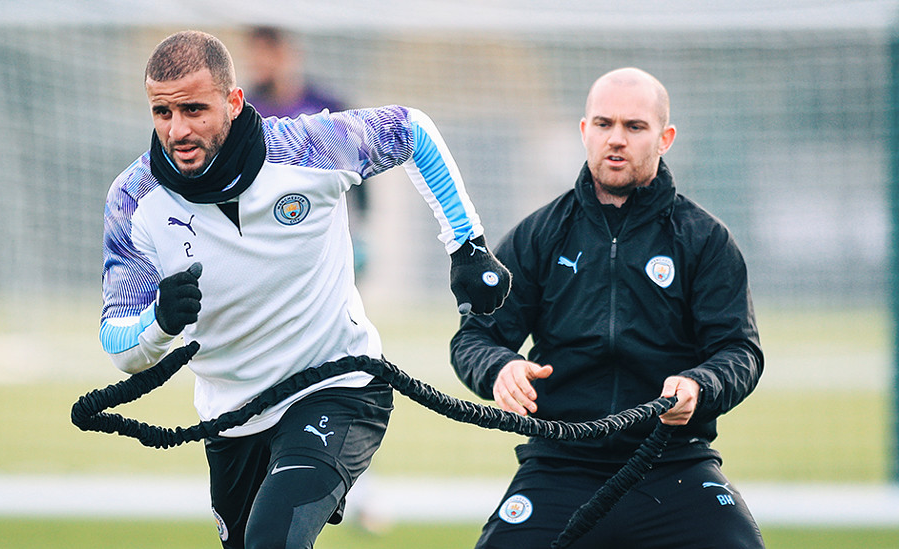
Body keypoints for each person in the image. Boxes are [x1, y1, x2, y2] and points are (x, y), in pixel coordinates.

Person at [100, 30, 509, 549]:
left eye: (195, 111)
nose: (177, 130)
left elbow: (413, 131)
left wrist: (467, 245)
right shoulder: (134, 199)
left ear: (233, 102)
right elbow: (119, 344)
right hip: (232, 421)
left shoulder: (306, 146)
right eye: (162, 112)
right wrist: (158, 322)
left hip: (337, 388)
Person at [450, 67, 765, 548]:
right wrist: (500, 368)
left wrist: (702, 385)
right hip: (560, 465)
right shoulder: (539, 234)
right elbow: (475, 336)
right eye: (603, 124)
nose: (616, 139)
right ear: (584, 131)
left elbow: (740, 351)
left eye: (634, 127)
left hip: (673, 465)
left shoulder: (705, 240)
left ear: (665, 138)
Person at [242, 26, 371, 280]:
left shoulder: (327, 106)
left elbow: (359, 160)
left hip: (326, 225)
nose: (258, 63)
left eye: (265, 54)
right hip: (271, 232)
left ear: (286, 55)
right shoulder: (245, 110)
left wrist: (362, 226)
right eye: (254, 56)